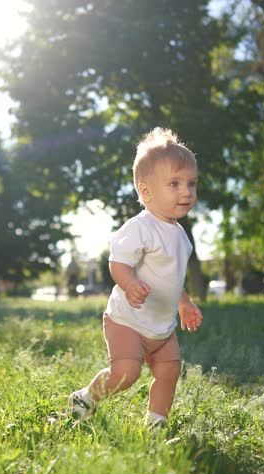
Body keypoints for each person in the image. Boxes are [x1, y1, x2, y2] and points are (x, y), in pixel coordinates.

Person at [69, 127, 203, 429]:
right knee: (126, 374)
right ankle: (86, 398)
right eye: (174, 183)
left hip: (161, 327)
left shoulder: (181, 237)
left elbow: (172, 278)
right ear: (146, 191)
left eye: (191, 183)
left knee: (169, 370)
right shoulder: (140, 227)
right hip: (127, 320)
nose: (186, 191)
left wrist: (184, 303)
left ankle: (156, 425)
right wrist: (129, 284)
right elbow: (117, 263)